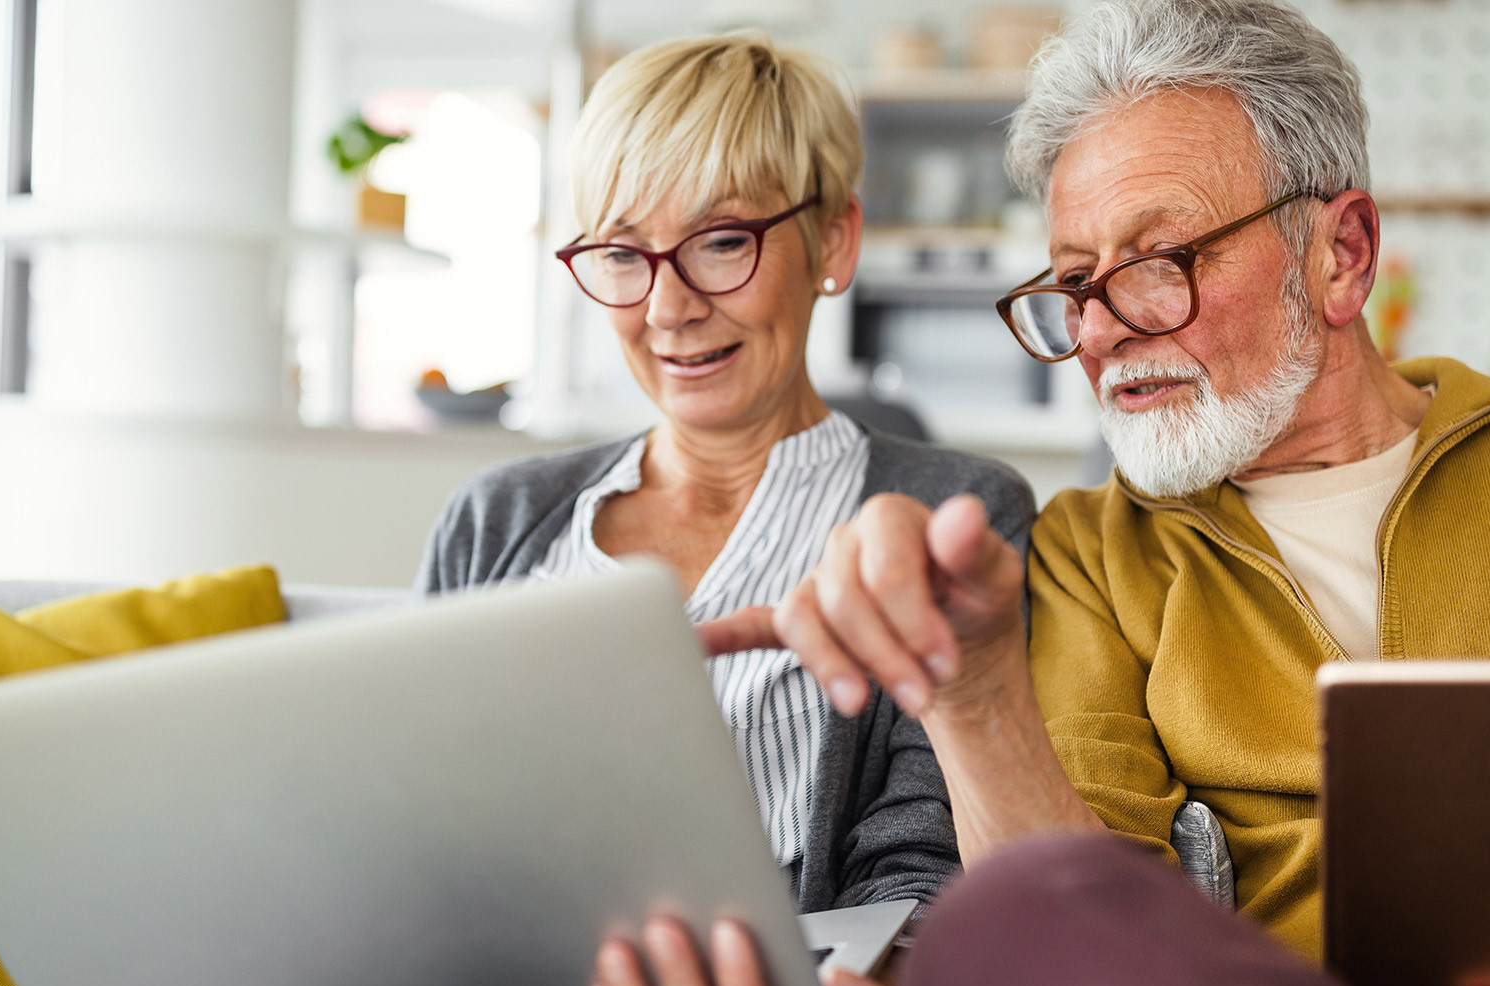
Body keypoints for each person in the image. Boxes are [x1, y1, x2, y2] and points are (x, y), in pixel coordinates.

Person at [587, 0, 1490, 986]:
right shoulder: (1092, 556)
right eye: (1071, 283)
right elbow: (1072, 930)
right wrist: (974, 693)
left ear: (1340, 254)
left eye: (1159, 262)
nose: (1100, 330)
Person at [415, 32, 1034, 914]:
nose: (668, 307)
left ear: (833, 241)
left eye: (721, 241)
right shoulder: (497, 519)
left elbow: (921, 885)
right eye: (624, 255)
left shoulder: (952, 519)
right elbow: (411, 824)